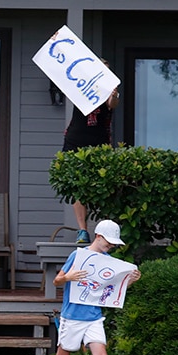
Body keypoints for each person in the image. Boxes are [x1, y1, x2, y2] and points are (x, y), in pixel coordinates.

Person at [39, 220, 140, 355]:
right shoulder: (78, 255)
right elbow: (56, 281)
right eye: (109, 241)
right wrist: (69, 276)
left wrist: (128, 282)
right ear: (98, 236)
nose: (111, 246)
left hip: (94, 318)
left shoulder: (108, 261)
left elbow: (109, 292)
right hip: (72, 316)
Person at [61, 72, 119, 245]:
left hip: (99, 141)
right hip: (76, 140)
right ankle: (82, 230)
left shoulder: (110, 87)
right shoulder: (81, 86)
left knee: (103, 185)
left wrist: (114, 93)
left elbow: (112, 104)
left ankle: (104, 231)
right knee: (78, 187)